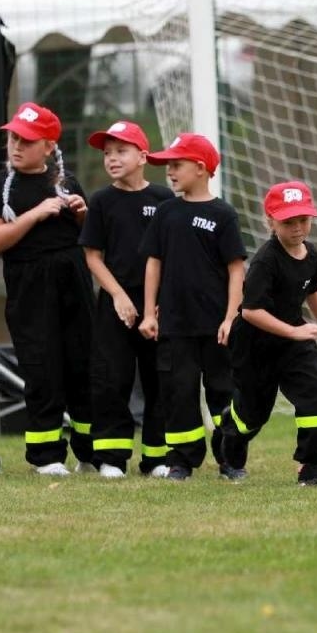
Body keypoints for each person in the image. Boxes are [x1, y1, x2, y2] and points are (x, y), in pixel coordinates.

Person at [0, 102, 95, 477]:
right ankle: (46, 456)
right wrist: (35, 214)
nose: (16, 146)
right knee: (42, 368)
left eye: (26, 140)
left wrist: (82, 214)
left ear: (47, 145)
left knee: (83, 366)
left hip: (73, 277)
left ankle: (91, 454)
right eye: (13, 138)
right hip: (29, 283)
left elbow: (94, 239)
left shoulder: (67, 181)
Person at [218, 181, 317, 486]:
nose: (297, 228)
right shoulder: (265, 261)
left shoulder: (311, 256)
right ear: (270, 221)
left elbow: (313, 288)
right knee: (253, 413)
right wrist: (294, 332)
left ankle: (311, 465)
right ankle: (231, 432)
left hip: (295, 341)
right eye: (288, 222)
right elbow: (251, 311)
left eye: (303, 220)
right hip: (254, 343)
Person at [137, 133, 246, 482]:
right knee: (179, 393)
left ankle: (230, 459)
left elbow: (235, 270)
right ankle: (182, 460)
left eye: (176, 164)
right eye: (167, 165)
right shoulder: (166, 212)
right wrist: (149, 311)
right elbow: (153, 263)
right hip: (175, 327)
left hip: (216, 327)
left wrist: (231, 317)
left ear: (200, 168)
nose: (169, 171)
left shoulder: (224, 214)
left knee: (223, 394)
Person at [78, 120, 174, 478]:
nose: (112, 159)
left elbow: (170, 257)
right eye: (107, 153)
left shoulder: (164, 199)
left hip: (157, 307)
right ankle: (112, 458)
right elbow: (92, 257)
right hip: (114, 306)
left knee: (158, 379)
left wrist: (159, 304)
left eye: (121, 151)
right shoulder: (102, 201)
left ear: (143, 156)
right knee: (111, 379)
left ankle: (157, 458)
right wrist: (117, 295)